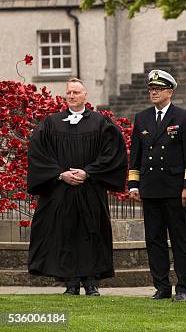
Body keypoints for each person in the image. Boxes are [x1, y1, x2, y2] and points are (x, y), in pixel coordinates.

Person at [27, 78, 127, 296]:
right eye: (68, 93)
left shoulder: (101, 123)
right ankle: (71, 283)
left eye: (76, 92)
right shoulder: (51, 123)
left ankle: (91, 283)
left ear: (85, 95)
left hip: (90, 189)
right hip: (60, 190)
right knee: (66, 234)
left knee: (92, 233)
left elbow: (112, 153)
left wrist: (88, 172)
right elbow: (37, 153)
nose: (72, 96)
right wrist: (60, 174)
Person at [128, 70, 186, 302]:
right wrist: (133, 184)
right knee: (154, 239)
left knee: (179, 239)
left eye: (158, 88)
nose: (154, 92)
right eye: (151, 88)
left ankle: (182, 287)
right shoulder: (142, 118)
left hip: (174, 189)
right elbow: (136, 155)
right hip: (150, 188)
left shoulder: (183, 117)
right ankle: (161, 286)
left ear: (170, 91)